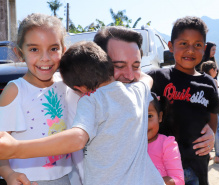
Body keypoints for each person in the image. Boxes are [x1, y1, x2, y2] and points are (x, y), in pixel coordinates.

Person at [0, 41, 165, 185]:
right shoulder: (136, 91)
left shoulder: (91, 101)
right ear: (109, 67)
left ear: (80, 89)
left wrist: (17, 148)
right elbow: (146, 79)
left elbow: (77, 138)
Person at [93, 26, 216, 157]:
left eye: (136, 66)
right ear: (98, 65)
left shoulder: (145, 87)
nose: (129, 75)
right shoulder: (84, 104)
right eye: (119, 66)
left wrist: (210, 133)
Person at [0, 13, 82, 185]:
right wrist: (8, 174)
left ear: (63, 51)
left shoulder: (67, 85)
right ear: (19, 53)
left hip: (67, 178)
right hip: (28, 181)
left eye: (53, 49)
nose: (45, 58)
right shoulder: (15, 90)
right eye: (34, 49)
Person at [148, 16, 219, 185]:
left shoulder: (208, 83)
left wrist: (211, 133)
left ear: (204, 49)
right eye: (183, 44)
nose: (190, 50)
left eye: (197, 45)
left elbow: (213, 116)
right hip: (163, 168)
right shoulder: (157, 77)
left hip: (197, 164)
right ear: (171, 46)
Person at [147, 93, 184, 185]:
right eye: (137, 117)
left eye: (149, 116)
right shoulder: (127, 145)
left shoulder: (166, 144)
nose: (144, 123)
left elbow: (178, 179)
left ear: (159, 117)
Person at [201, 61, 219, 164]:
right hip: (212, 111)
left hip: (202, 111)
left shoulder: (199, 79)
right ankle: (218, 156)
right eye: (216, 70)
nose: (216, 72)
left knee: (204, 132)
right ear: (211, 70)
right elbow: (215, 98)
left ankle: (207, 154)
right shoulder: (214, 81)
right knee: (216, 131)